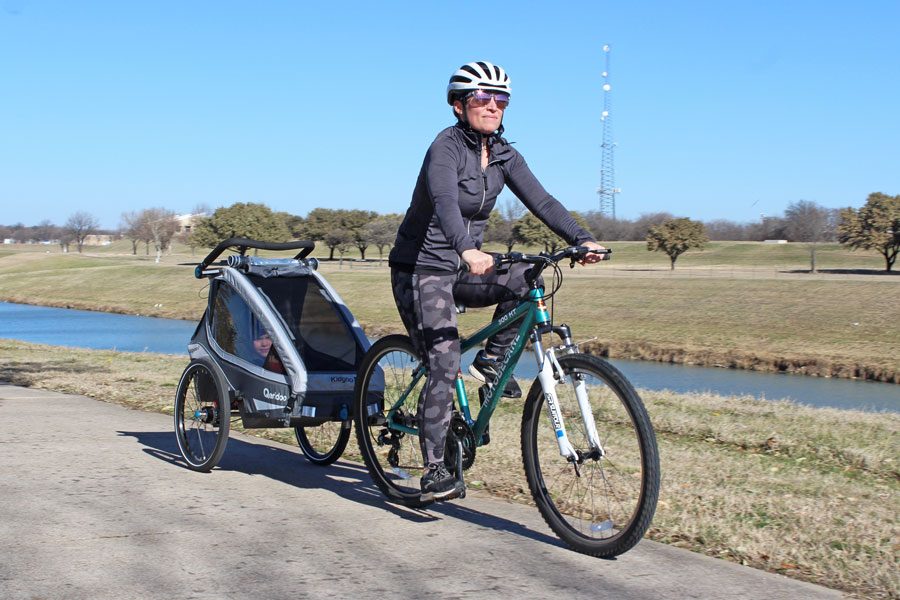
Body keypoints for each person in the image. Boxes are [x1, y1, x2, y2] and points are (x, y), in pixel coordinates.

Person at [388, 61, 607, 500]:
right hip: (423, 270)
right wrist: (466, 249)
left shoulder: (504, 154)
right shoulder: (444, 149)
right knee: (444, 361)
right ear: (458, 105)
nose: (492, 107)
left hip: (467, 268)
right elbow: (447, 203)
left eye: (500, 99)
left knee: (528, 278)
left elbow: (542, 200)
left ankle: (492, 362)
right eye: (482, 99)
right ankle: (434, 469)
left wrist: (581, 239)